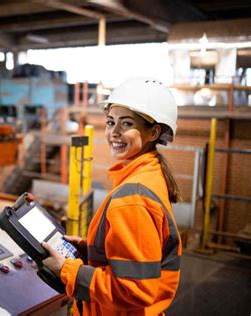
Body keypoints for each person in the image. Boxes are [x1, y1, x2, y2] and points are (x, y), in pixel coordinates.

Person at [42, 78, 182, 316]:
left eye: (126, 123)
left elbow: (135, 289)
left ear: (154, 132)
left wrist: (68, 271)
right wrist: (92, 250)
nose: (114, 133)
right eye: (110, 122)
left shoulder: (132, 198)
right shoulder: (150, 174)